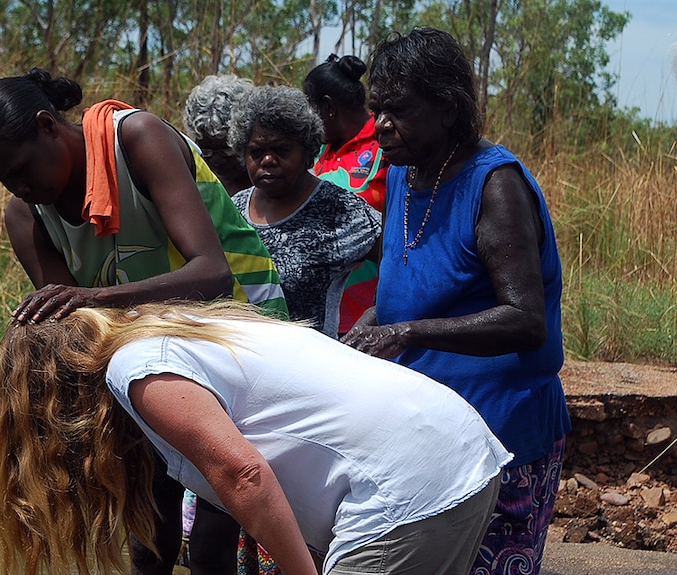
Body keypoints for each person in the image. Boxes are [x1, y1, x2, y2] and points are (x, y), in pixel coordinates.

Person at [0, 68, 288, 575]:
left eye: (22, 169)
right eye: (3, 180)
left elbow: (212, 274)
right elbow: (73, 324)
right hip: (153, 356)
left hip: (242, 334)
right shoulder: (27, 216)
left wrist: (95, 295)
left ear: (50, 126)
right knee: (149, 534)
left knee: (211, 539)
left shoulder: (135, 138)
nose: (20, 187)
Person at [0, 300, 513, 575]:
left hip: (406, 483)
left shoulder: (134, 368)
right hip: (454, 447)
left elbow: (244, 474)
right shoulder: (177, 327)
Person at [342, 27, 572, 575]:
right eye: (377, 110)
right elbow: (408, 292)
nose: (380, 127)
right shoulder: (402, 172)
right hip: (424, 431)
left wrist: (407, 334)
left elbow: (525, 320)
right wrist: (365, 333)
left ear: (447, 109)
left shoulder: (494, 185)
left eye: (398, 110)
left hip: (499, 438)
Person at [228, 85, 381, 336]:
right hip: (243, 360)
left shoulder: (336, 207)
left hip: (313, 364)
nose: (268, 161)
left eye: (281, 150)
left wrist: (374, 314)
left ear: (307, 151)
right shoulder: (235, 209)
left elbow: (397, 260)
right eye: (257, 152)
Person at [303, 54, 390, 335]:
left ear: (327, 107)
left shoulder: (386, 145)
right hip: (321, 313)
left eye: (309, 108)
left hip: (372, 311)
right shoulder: (317, 152)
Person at [182, 74, 255, 195]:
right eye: (206, 152)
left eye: (225, 151)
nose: (216, 161)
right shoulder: (195, 183)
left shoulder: (270, 182)